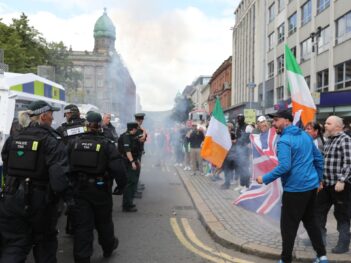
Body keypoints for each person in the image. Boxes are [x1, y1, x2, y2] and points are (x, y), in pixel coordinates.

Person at [0, 100, 71, 262]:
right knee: (44, 244)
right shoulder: (52, 141)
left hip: (11, 199)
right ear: (44, 116)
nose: (53, 118)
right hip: (40, 202)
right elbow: (59, 179)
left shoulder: (14, 138)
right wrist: (68, 201)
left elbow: (7, 165)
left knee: (15, 244)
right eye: (51, 115)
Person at [256, 110, 328, 263]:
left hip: (295, 190)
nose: (273, 123)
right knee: (311, 222)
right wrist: (318, 180)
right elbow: (319, 160)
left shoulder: (284, 140)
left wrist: (265, 178)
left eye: (276, 120)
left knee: (288, 227)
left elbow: (284, 167)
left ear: (287, 121)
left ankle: (285, 259)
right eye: (273, 121)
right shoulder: (306, 136)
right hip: (310, 189)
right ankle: (322, 256)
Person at [68, 111, 127, 262]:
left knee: (82, 226)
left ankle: (82, 258)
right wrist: (121, 187)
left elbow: (64, 166)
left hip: (80, 190)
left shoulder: (73, 143)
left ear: (86, 125)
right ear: (100, 125)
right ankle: (108, 248)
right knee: (104, 222)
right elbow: (118, 169)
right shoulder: (106, 145)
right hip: (100, 191)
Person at [316, 115, 351, 254]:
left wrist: (342, 180)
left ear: (337, 126)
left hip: (340, 185)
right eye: (325, 123)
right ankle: (320, 239)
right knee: (318, 211)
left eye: (328, 123)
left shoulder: (345, 140)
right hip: (326, 184)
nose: (325, 125)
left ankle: (343, 244)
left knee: (341, 215)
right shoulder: (329, 140)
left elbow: (349, 162)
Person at [56, 103, 86, 235]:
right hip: (86, 167)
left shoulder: (61, 130)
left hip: (69, 168)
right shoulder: (87, 126)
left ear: (69, 114)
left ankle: (71, 227)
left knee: (71, 197)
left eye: (66, 114)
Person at [119, 122, 141, 212]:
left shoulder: (131, 136)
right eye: (136, 129)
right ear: (133, 129)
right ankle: (126, 205)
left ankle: (129, 203)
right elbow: (128, 151)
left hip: (132, 161)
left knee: (133, 182)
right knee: (129, 183)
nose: (136, 131)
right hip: (127, 162)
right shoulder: (126, 137)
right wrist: (132, 162)